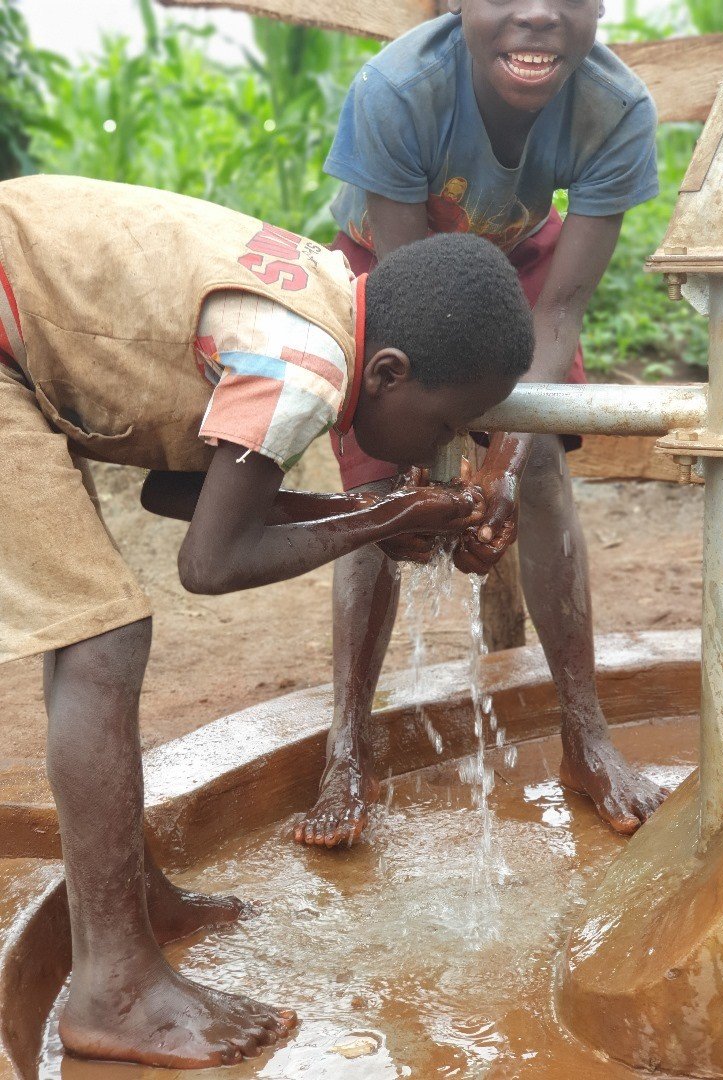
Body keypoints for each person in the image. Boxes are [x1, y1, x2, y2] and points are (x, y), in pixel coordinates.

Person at [0, 173, 532, 1069]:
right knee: (103, 636)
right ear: (389, 373)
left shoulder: (324, 302)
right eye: (448, 422)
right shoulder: (305, 363)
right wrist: (384, 517)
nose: (451, 444)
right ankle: (116, 989)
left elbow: (185, 492)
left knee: (101, 630)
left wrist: (373, 516)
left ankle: (130, 904)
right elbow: (208, 563)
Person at [295, 0, 669, 849]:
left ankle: (585, 733)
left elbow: (561, 314)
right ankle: (346, 748)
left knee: (538, 477)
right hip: (388, 267)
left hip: (520, 262)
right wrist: (434, 468)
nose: (536, 14)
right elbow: (409, 309)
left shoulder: (617, 110)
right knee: (383, 489)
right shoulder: (399, 89)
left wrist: (500, 464)